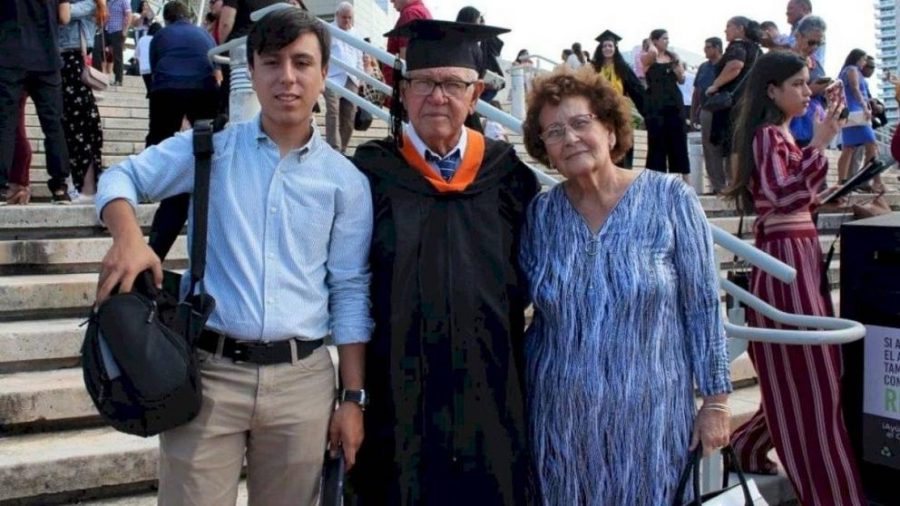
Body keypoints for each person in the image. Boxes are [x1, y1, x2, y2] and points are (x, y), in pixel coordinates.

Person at [94, 9, 372, 505]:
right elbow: (120, 177)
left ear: (324, 73)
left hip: (302, 382)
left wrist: (352, 398)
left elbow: (350, 291)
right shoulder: (212, 148)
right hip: (210, 375)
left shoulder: (345, 182)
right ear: (252, 70)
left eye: (302, 63)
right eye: (272, 62)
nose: (287, 77)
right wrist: (129, 238)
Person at [520, 67, 730, 505]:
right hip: (562, 425)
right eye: (554, 132)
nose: (570, 138)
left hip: (651, 423)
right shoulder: (541, 215)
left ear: (611, 130)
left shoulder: (670, 198)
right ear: (545, 150)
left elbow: (702, 306)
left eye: (581, 123)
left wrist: (715, 402)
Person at [350, 19, 539, 505]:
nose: (438, 96)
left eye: (453, 84)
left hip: (489, 379)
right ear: (403, 93)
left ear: (475, 96)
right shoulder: (370, 173)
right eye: (424, 83)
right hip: (397, 384)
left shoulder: (507, 174)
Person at [725, 50, 867, 506]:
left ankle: (745, 445)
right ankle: (832, 494)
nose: (808, 92)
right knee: (810, 376)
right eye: (798, 84)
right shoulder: (768, 135)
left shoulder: (780, 134)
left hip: (795, 254)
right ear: (772, 90)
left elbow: (788, 195)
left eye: (808, 83)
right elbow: (780, 194)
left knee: (806, 373)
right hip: (785, 260)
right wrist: (820, 144)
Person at [144, 1, 219, 259]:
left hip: (167, 87)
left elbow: (154, 64)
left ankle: (153, 175)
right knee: (207, 137)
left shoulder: (161, 34)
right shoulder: (204, 34)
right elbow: (214, 63)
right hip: (203, 88)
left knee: (159, 134)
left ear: (167, 18)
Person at [0, 0, 72, 204]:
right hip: (47, 57)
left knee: (6, 123)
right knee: (53, 125)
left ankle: (1, 185)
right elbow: (64, 17)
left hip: (10, 56)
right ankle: (59, 187)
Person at [58, 0, 105, 203]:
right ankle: (81, 185)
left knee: (81, 129)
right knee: (72, 128)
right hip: (66, 64)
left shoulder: (89, 4)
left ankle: (87, 187)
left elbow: (64, 15)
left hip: (74, 62)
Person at [706, 16, 762, 158]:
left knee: (732, 149)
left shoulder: (738, 46)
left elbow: (735, 66)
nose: (725, 30)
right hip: (750, 104)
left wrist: (715, 85)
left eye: (729, 26)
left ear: (740, 29)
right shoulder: (757, 51)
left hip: (732, 105)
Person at [591, 29, 644, 169]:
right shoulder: (594, 68)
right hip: (600, 112)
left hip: (619, 111)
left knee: (623, 142)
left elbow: (636, 90)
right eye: (604, 46)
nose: (607, 48)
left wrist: (647, 108)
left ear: (615, 48)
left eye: (610, 46)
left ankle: (623, 173)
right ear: (600, 48)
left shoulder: (623, 68)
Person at [641, 28, 688, 175]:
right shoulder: (648, 57)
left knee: (678, 141)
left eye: (668, 38)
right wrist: (650, 43)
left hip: (674, 103)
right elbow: (652, 54)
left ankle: (681, 178)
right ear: (655, 41)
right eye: (664, 38)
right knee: (657, 143)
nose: (667, 41)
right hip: (656, 104)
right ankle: (656, 179)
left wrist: (677, 69)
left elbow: (682, 80)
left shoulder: (673, 57)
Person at [837, 49, 881, 190]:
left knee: (848, 148)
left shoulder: (846, 70)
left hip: (849, 112)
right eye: (864, 59)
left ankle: (842, 182)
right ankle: (861, 178)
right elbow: (855, 89)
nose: (864, 63)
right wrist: (865, 107)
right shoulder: (852, 70)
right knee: (872, 144)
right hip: (856, 112)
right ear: (858, 59)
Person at [324, 2, 362, 153]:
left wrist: (360, 79)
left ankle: (343, 150)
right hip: (332, 78)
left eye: (349, 18)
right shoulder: (328, 31)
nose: (347, 21)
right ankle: (333, 148)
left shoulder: (356, 34)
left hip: (351, 79)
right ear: (337, 16)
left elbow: (359, 57)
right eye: (344, 17)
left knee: (349, 116)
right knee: (333, 111)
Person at [692, 37, 727, 193]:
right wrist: (694, 112)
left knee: (726, 148)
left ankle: (731, 184)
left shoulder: (726, 65)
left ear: (717, 48)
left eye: (708, 47)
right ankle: (717, 185)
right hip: (707, 110)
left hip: (725, 110)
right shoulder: (703, 67)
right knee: (709, 148)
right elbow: (697, 91)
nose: (705, 50)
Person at [787, 15, 828, 149]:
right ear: (798, 36)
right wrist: (812, 89)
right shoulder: (785, 60)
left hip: (813, 123)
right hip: (792, 126)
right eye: (811, 42)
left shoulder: (815, 62)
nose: (815, 47)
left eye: (819, 43)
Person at [383, 0, 432, 93]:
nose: (391, 1)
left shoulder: (409, 14)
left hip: (408, 87)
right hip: (418, 83)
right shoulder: (420, 10)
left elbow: (406, 56)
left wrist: (403, 90)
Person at [101, 0, 130, 85]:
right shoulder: (108, 1)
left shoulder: (123, 1)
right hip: (106, 30)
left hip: (117, 30)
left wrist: (125, 30)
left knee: (118, 56)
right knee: (98, 49)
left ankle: (118, 80)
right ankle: (99, 75)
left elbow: (128, 15)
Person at [135, 21, 161, 93]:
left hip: (143, 69)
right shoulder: (157, 39)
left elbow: (136, 55)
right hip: (154, 69)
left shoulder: (142, 39)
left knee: (149, 88)